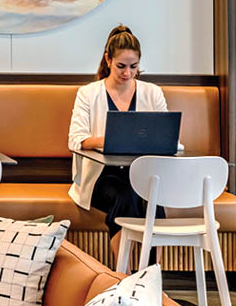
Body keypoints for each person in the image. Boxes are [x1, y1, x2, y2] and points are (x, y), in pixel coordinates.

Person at [68, 25, 169, 251]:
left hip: (144, 173)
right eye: (121, 66)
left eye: (133, 67)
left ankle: (151, 272)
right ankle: (125, 273)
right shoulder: (88, 93)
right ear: (108, 60)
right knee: (126, 195)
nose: (127, 73)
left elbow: (167, 137)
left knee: (151, 196)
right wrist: (112, 139)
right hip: (102, 177)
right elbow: (76, 139)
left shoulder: (153, 93)